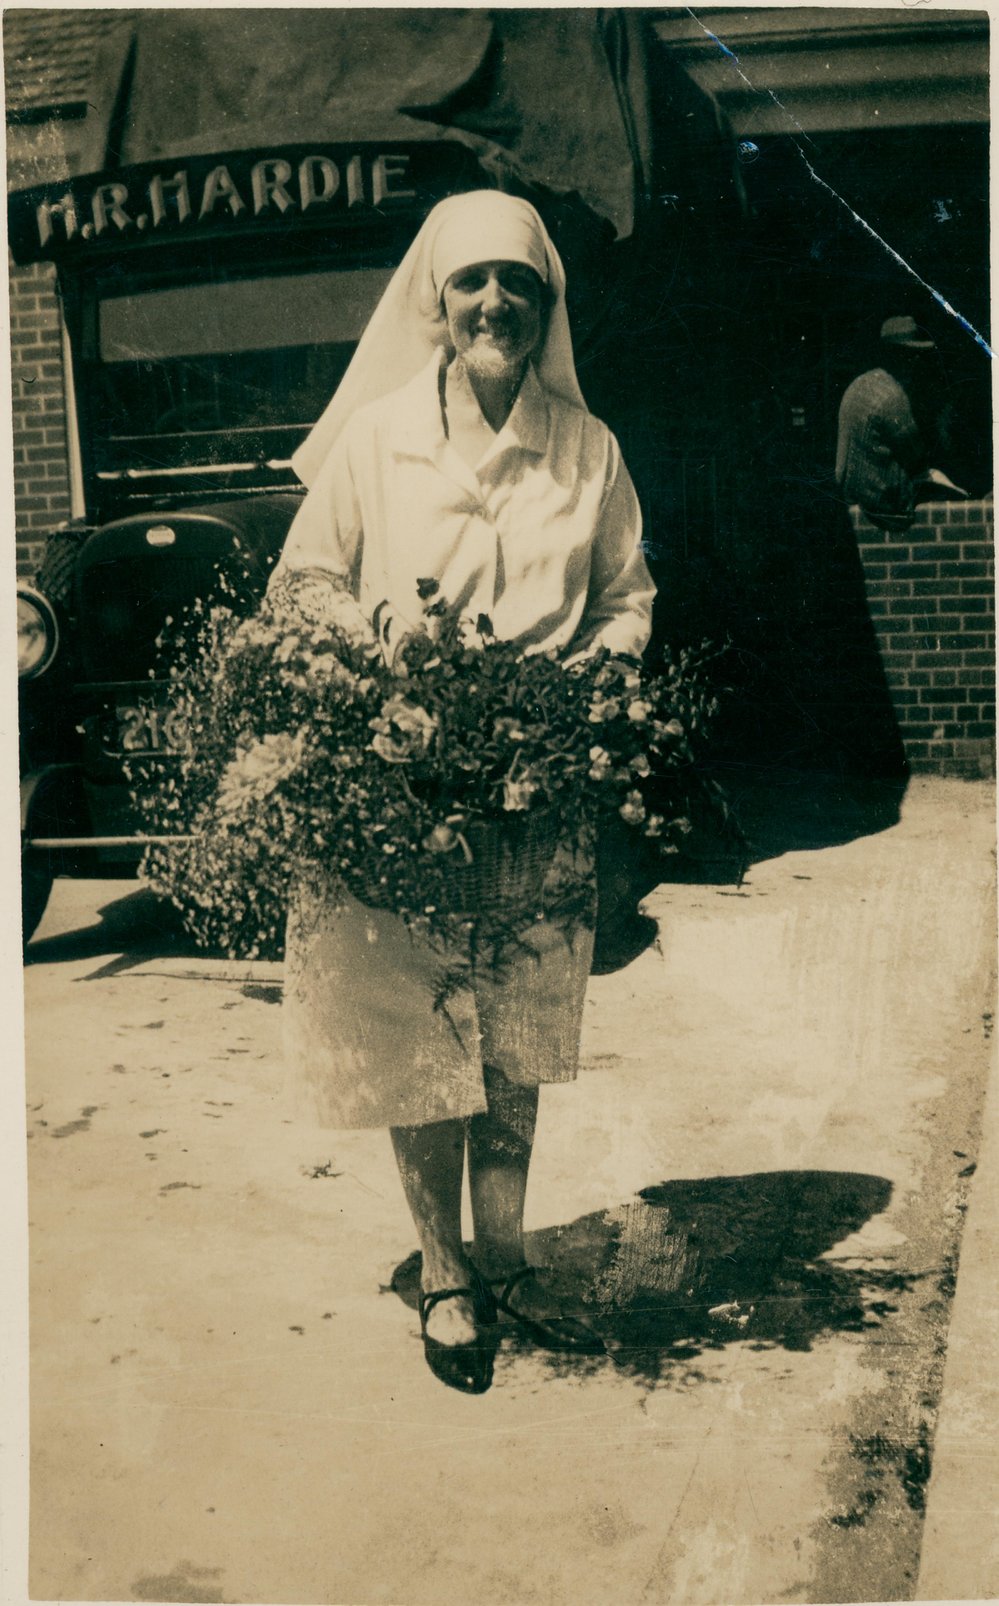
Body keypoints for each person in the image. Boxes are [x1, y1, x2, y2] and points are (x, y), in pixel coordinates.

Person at [266, 190, 655, 1393]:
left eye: (520, 286)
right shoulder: (376, 441)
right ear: (437, 303)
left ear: (546, 308)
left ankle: (507, 1251)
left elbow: (628, 596)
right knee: (418, 1032)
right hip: (406, 788)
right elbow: (304, 584)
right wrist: (391, 652)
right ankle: (445, 1272)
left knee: (520, 1035)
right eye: (475, 282)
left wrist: (587, 685)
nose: (497, 304)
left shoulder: (588, 451)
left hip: (538, 793)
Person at [835, 314, 965, 532]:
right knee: (945, 489)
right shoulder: (893, 397)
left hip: (853, 496)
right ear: (894, 355)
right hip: (884, 504)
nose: (915, 362)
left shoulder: (862, 383)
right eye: (910, 355)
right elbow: (917, 457)